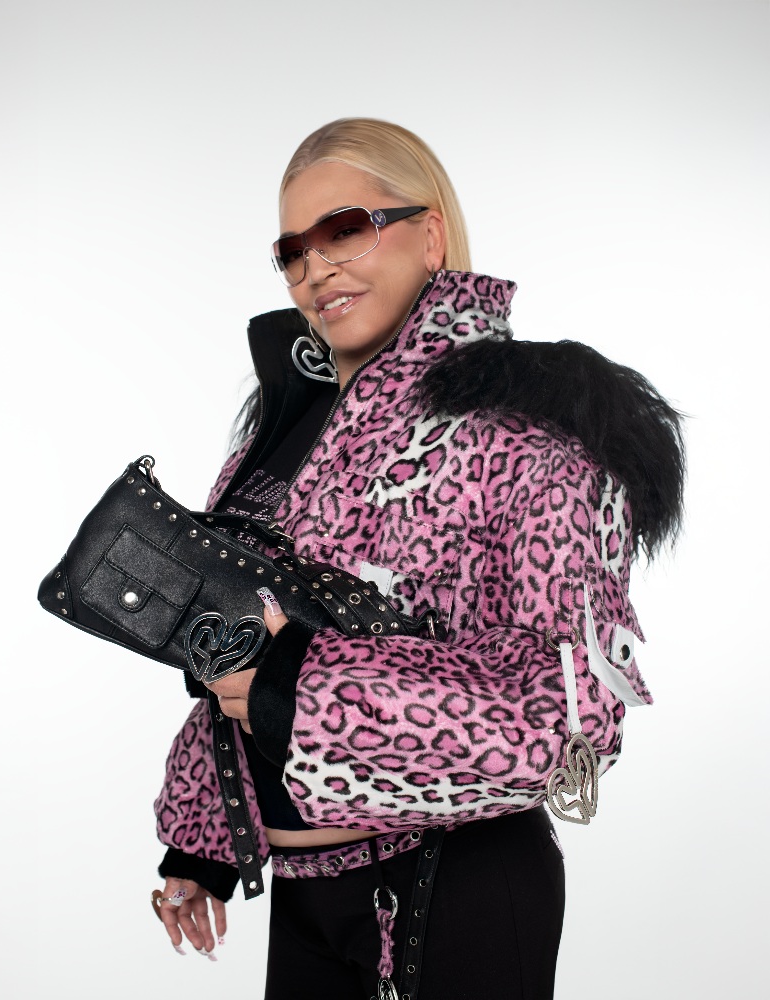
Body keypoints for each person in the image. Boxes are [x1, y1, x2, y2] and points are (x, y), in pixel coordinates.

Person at [150, 118, 685, 999]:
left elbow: (568, 717)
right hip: (308, 893)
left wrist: (303, 685)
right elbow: (237, 665)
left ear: (430, 236)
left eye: (344, 229)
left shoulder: (532, 429)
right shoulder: (284, 435)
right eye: (292, 251)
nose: (315, 268)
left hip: (457, 885)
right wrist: (202, 840)